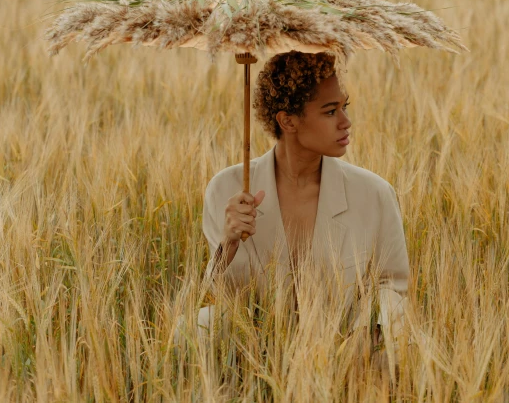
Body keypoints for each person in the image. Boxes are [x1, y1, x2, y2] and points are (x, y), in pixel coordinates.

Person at [175, 51, 409, 361]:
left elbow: (392, 283)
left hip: (341, 349)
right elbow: (209, 295)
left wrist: (369, 333)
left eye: (344, 107)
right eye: (329, 112)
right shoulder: (227, 190)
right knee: (198, 327)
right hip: (252, 351)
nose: (346, 122)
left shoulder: (375, 193)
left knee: (386, 347)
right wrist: (227, 243)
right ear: (288, 120)